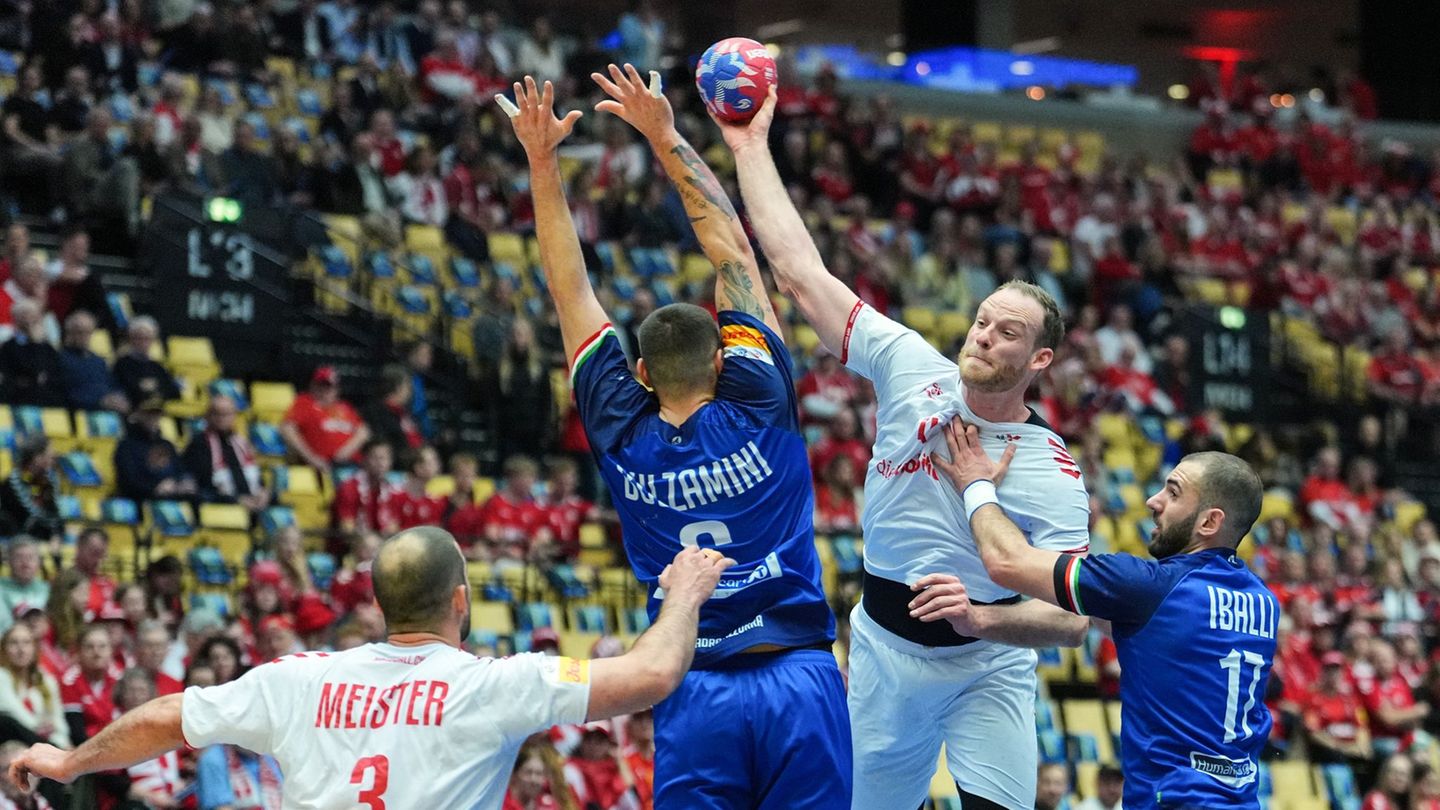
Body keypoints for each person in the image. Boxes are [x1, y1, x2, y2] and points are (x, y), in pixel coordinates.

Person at [717, 87, 1087, 808]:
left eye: (1008, 333)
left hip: (987, 663)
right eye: (984, 321)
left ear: (1040, 361)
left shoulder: (1051, 467)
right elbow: (799, 271)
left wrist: (983, 617)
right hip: (885, 653)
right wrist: (750, 149)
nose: (983, 337)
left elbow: (1070, 623)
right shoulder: (910, 363)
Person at [506, 69, 849, 808]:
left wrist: (541, 162)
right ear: (724, 361)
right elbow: (732, 251)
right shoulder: (758, 395)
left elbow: (570, 289)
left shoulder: (619, 422)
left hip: (693, 684)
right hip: (799, 673)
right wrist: (664, 135)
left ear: (638, 373)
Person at [7, 528, 734, 809]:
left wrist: (72, 760)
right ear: (461, 600)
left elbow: (168, 716)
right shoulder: (497, 685)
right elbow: (652, 675)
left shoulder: (295, 678)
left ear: (382, 603)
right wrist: (687, 592)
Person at [923, 436, 1272, 809]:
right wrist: (977, 618)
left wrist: (977, 484)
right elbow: (1079, 622)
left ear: (1209, 521)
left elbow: (1006, 561)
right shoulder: (1263, 602)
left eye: (1173, 493)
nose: (1153, 501)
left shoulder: (1148, 587)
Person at [181, 394, 270, 512]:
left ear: (234, 416)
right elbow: (203, 485)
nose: (222, 418)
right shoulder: (198, 444)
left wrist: (263, 492)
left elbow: (257, 478)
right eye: (217, 414)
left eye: (227, 414)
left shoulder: (241, 443)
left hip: (253, 503)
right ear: (208, 416)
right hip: (222, 507)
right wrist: (236, 500)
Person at [281, 366, 370, 473]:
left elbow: (363, 431)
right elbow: (287, 429)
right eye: (322, 385)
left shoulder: (344, 407)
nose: (326, 390)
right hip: (320, 466)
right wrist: (311, 458)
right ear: (313, 385)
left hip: (351, 465)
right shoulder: (305, 403)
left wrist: (345, 452)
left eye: (330, 386)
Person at [0, 624, 69, 748]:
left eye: (26, 643)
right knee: (5, 722)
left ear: (34, 648)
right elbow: (14, 712)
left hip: (47, 744)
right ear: (4, 649)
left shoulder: (47, 680)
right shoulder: (1, 677)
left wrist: (62, 743)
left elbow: (58, 721)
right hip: (13, 743)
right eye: (14, 643)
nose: (21, 649)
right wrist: (41, 731)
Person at [0, 438, 62, 544]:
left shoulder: (47, 484)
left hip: (43, 543)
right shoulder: (10, 485)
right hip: (18, 543)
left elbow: (54, 517)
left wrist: (56, 535)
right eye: (48, 454)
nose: (52, 458)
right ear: (36, 457)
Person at [0, 540, 50, 633]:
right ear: (8, 561)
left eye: (30, 557)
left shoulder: (48, 590)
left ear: (39, 562)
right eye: (19, 558)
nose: (25, 563)